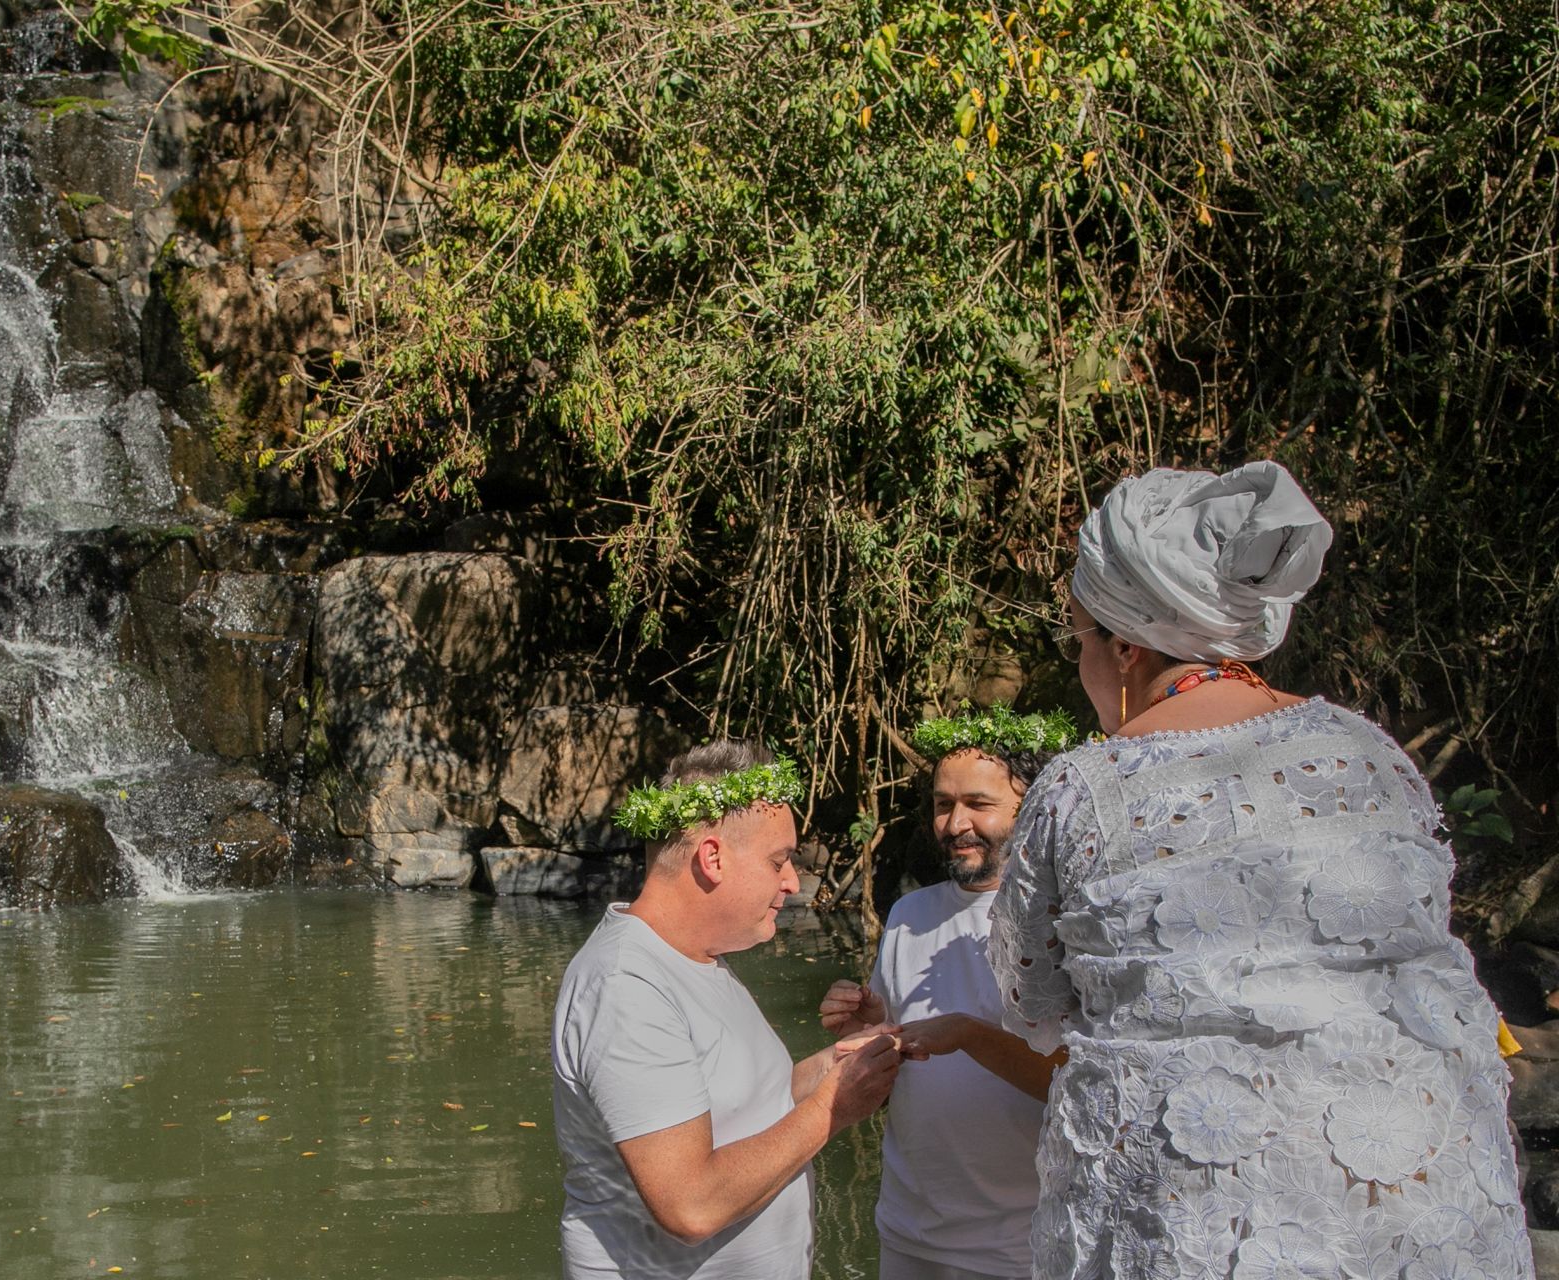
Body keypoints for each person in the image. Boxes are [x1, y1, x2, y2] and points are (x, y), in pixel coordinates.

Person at [985, 460, 1533, 1278]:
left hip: (1203, 1216)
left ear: (1124, 647)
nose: (1080, 663)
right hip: (1423, 1192)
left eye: (1079, 641)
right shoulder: (1371, 752)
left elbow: (1033, 1004)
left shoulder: (1083, 789)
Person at [552, 740, 902, 1279]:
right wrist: (833, 1107)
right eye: (778, 860)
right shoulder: (626, 986)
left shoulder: (698, 959)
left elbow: (752, 1105)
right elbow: (692, 1206)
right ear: (713, 858)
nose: (792, 881)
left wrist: (839, 1066)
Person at [820, 705, 1076, 1280]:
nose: (955, 823)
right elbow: (893, 1076)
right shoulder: (909, 913)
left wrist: (965, 1033)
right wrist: (866, 1028)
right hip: (908, 1229)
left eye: (978, 804)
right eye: (943, 804)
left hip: (1024, 1243)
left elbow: (1078, 1083)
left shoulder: (1064, 917)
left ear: (1034, 806)